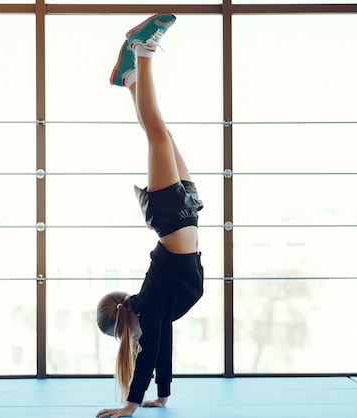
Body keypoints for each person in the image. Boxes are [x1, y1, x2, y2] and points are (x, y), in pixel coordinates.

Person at [95, 13, 204, 418]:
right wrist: (165, 393)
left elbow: (150, 351)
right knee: (164, 133)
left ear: (125, 325)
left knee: (156, 131)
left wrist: (131, 405)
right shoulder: (157, 314)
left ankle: (142, 49)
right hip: (188, 213)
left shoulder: (150, 304)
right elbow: (163, 347)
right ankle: (128, 77)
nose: (140, 340)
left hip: (173, 219)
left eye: (131, 337)